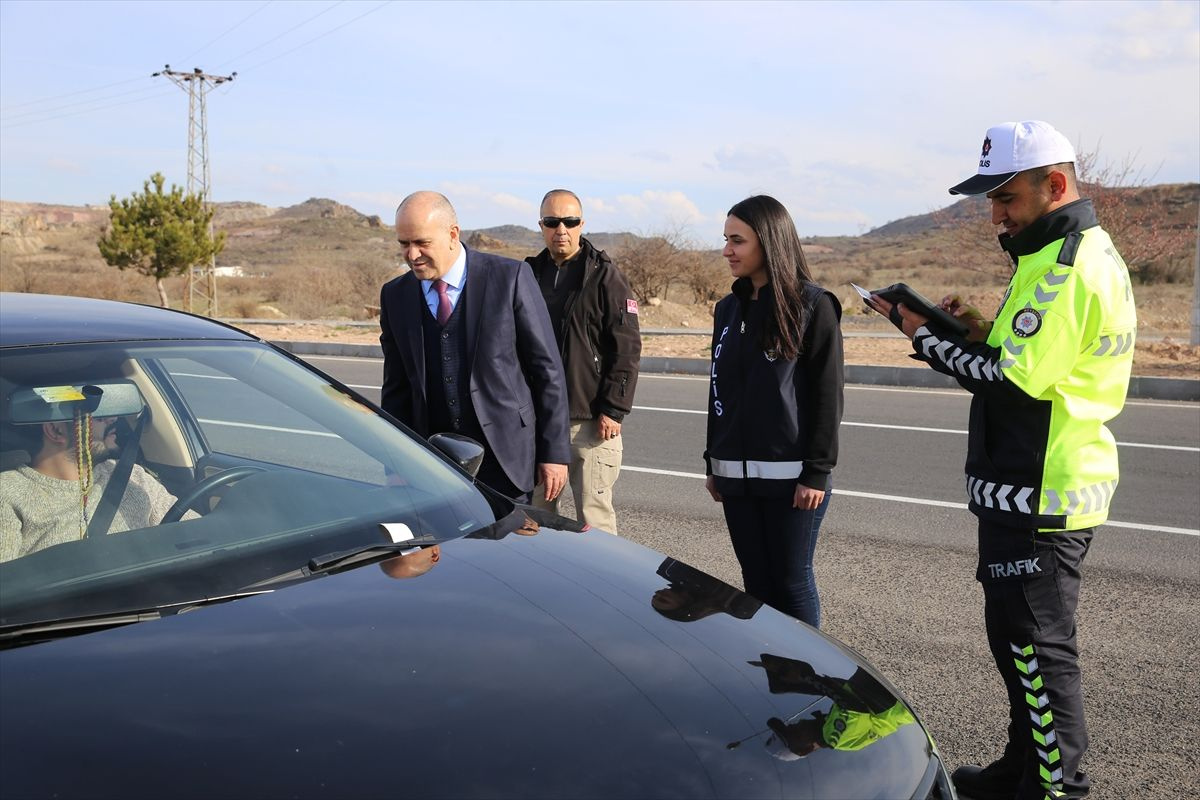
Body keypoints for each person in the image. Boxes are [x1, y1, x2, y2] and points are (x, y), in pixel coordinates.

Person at [865, 120, 1136, 800]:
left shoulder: (1064, 269)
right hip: (1028, 487)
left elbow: (1007, 380)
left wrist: (921, 333)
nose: (996, 215)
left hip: (1043, 491)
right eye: (988, 200)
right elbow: (1029, 359)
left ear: (1056, 185)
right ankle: (1023, 769)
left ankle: (1056, 788)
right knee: (1019, 649)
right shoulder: (1055, 257)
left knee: (1038, 653)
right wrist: (979, 329)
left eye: (1006, 198)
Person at [703, 195, 844, 628]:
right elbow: (716, 390)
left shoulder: (813, 305)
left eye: (737, 241)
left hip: (792, 481)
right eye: (726, 240)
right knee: (755, 584)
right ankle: (770, 676)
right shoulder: (727, 309)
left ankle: (811, 677)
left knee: (791, 582)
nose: (728, 250)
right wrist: (712, 461)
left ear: (768, 241)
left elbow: (827, 396)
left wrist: (816, 472)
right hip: (735, 478)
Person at [379, 191, 571, 504]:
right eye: (404, 244)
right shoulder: (395, 296)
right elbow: (396, 388)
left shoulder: (509, 278)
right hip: (432, 462)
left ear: (453, 234)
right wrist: (395, 461)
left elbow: (547, 370)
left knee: (511, 550)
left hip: (506, 460)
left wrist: (554, 453)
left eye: (422, 243)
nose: (412, 255)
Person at [525, 189, 641, 534]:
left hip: (589, 422)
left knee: (594, 519)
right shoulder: (529, 274)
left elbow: (627, 346)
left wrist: (614, 407)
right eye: (552, 221)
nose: (561, 229)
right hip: (540, 421)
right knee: (535, 516)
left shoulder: (605, 276)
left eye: (570, 221)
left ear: (581, 224)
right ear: (542, 226)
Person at [1, 411, 193, 562]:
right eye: (100, 416)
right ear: (55, 430)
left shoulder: (131, 476)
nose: (114, 419)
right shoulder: (8, 493)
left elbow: (194, 531)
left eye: (112, 410)